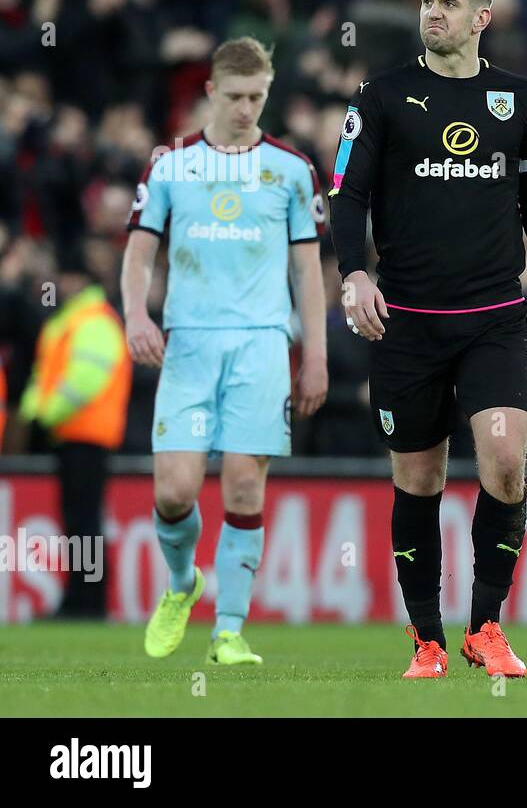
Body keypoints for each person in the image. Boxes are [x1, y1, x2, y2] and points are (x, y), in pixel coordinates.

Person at [328, 0, 527, 680]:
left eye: (448, 3)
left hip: (494, 319)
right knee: (419, 480)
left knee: (507, 462)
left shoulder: (522, 101)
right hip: (406, 323)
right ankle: (428, 638)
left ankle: (486, 625)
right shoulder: (381, 96)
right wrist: (353, 272)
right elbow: (347, 197)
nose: (433, 13)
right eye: (427, 0)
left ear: (482, 16)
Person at [122, 36, 328, 665]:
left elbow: (308, 274)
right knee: (175, 493)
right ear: (211, 91)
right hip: (189, 345)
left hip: (264, 346)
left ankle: (229, 632)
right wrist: (136, 315)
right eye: (235, 96)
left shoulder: (292, 170)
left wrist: (314, 354)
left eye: (257, 97)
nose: (246, 108)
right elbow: (137, 255)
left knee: (244, 487)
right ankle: (184, 582)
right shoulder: (171, 164)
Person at [19, 247, 131, 619]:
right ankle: (82, 599)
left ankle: (87, 602)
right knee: (80, 522)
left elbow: (82, 382)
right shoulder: (76, 321)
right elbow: (49, 376)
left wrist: (43, 415)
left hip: (86, 433)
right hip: (75, 435)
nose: (60, 285)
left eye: (66, 278)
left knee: (84, 522)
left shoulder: (91, 322)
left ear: (81, 281)